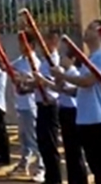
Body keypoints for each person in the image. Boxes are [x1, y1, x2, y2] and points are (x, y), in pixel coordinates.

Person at [52, 20, 101, 184]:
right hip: (86, 119)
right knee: (96, 166)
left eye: (91, 28)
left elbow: (87, 81)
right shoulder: (91, 58)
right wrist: (64, 87)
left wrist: (63, 76)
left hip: (98, 118)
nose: (86, 31)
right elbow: (81, 90)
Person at [38, 42, 87, 184]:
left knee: (74, 150)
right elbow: (58, 89)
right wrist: (45, 82)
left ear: (72, 59)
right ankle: (73, 179)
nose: (62, 60)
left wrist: (57, 81)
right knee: (69, 150)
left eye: (65, 57)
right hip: (64, 110)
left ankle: (79, 180)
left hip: (72, 112)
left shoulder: (73, 74)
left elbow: (71, 91)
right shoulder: (65, 74)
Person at [10, 33, 44, 182]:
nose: (20, 46)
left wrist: (22, 78)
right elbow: (8, 68)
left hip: (31, 104)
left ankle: (41, 167)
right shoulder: (20, 60)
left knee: (34, 137)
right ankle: (24, 162)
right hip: (21, 104)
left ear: (31, 45)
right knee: (23, 137)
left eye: (23, 43)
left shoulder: (35, 62)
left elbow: (35, 80)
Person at [34, 30, 63, 184]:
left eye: (47, 40)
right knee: (43, 143)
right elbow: (39, 82)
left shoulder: (54, 61)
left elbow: (53, 83)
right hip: (41, 104)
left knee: (50, 144)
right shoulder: (45, 61)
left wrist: (39, 80)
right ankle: (49, 177)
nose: (43, 44)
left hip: (50, 104)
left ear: (54, 42)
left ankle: (55, 179)